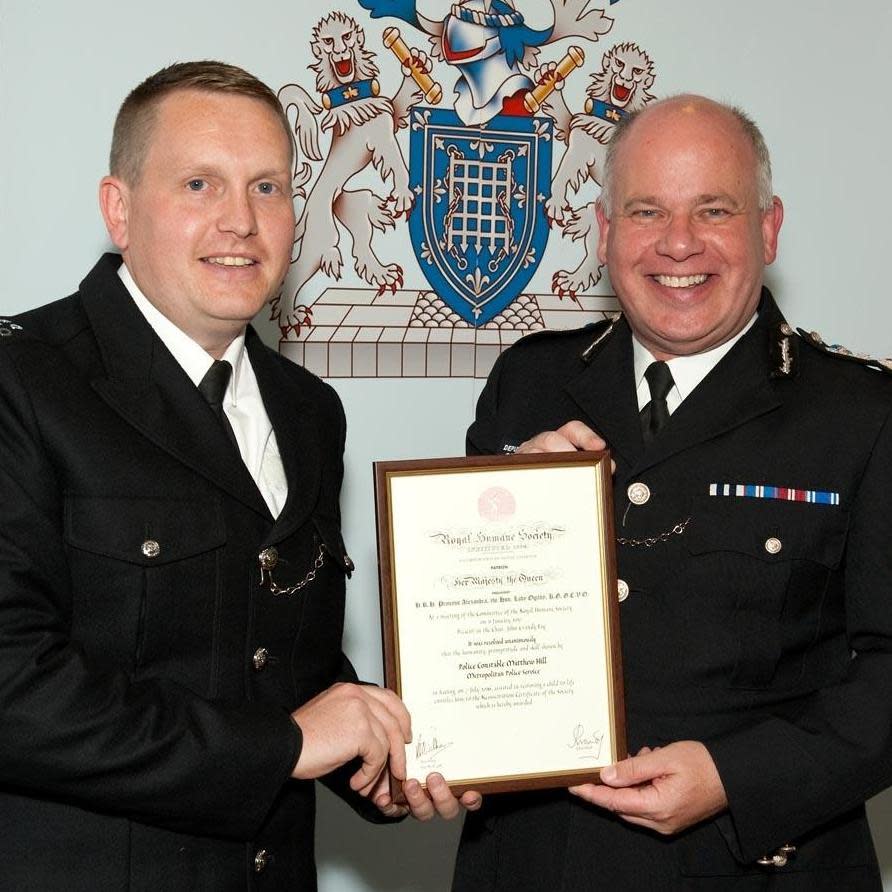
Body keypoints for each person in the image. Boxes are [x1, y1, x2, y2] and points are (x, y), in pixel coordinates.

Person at [0, 60, 472, 891]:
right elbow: (14, 692)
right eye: (198, 184)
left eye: (268, 188)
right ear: (119, 209)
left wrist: (380, 759)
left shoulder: (309, 411)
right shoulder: (26, 384)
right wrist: (288, 747)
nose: (240, 223)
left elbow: (286, 660)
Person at [452, 94, 892, 890]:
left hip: (755, 862)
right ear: (606, 231)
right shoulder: (530, 383)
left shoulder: (861, 414)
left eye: (713, 210)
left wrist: (736, 777)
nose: (678, 243)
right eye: (647, 210)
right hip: (538, 862)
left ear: (768, 227)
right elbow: (473, 630)